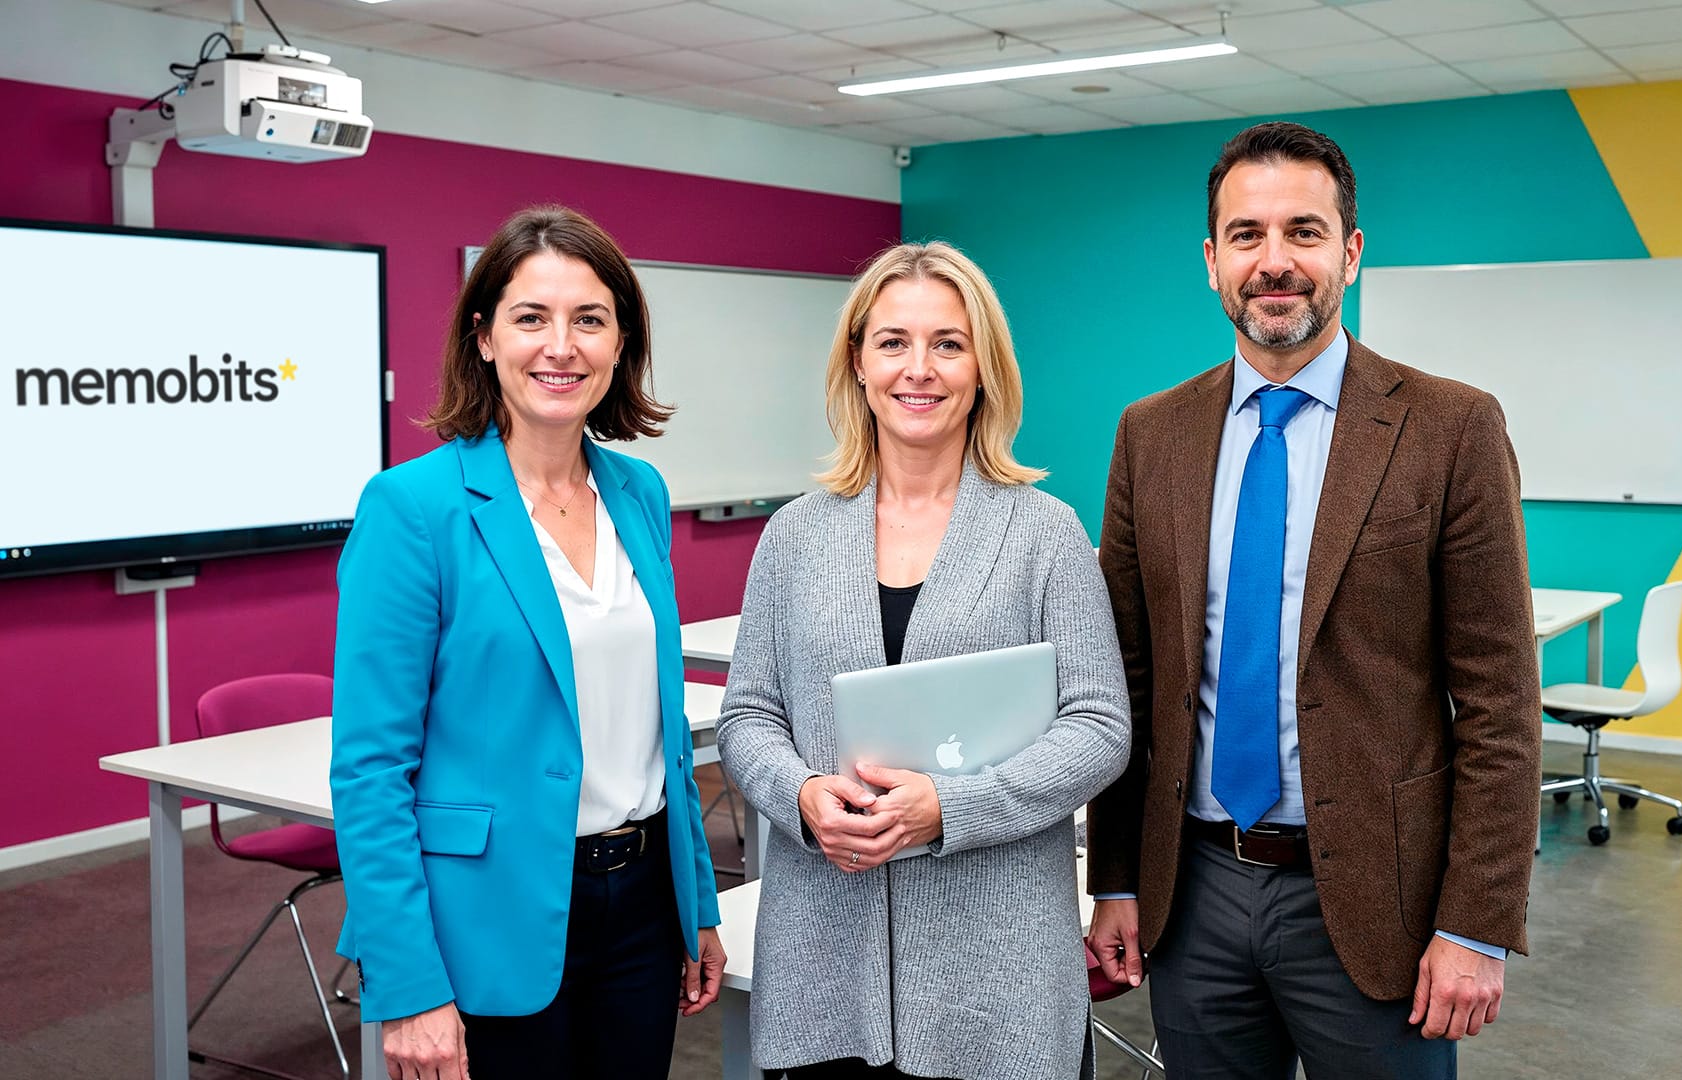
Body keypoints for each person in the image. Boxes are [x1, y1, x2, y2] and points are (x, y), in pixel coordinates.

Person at [1085, 121, 1542, 1079]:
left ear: (1352, 252)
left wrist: (1476, 924)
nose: (1274, 261)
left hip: (1383, 903)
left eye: (1304, 230)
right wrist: (1115, 880)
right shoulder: (1151, 435)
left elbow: (1500, 704)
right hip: (1194, 891)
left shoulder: (1450, 427)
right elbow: (1130, 682)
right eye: (1246, 235)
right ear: (1212, 261)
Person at [715, 241, 1130, 1080]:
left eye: (949, 342)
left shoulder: (1043, 531)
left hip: (997, 970)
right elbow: (748, 714)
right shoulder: (795, 534)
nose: (921, 369)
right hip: (823, 962)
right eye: (893, 342)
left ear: (984, 367)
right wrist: (799, 795)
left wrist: (954, 805)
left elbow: (1100, 726)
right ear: (859, 364)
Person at [330, 205, 724, 1080]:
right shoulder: (414, 508)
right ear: (483, 338)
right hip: (485, 914)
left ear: (621, 344)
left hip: (643, 902)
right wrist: (408, 985)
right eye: (531, 318)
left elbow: (660, 724)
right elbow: (368, 771)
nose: (562, 346)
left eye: (590, 320)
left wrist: (696, 901)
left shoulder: (639, 493)